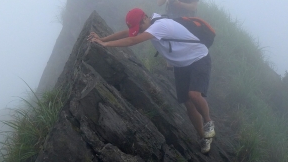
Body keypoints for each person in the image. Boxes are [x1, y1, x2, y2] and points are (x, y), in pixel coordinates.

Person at [88, 8, 215, 153]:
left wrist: (105, 45)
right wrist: (102, 39)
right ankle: (203, 138)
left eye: (139, 27)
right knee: (189, 105)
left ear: (145, 18)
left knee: (194, 94)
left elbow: (132, 40)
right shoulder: (149, 24)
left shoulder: (160, 26)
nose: (139, 30)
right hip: (182, 64)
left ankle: (208, 122)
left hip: (199, 58)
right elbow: (127, 33)